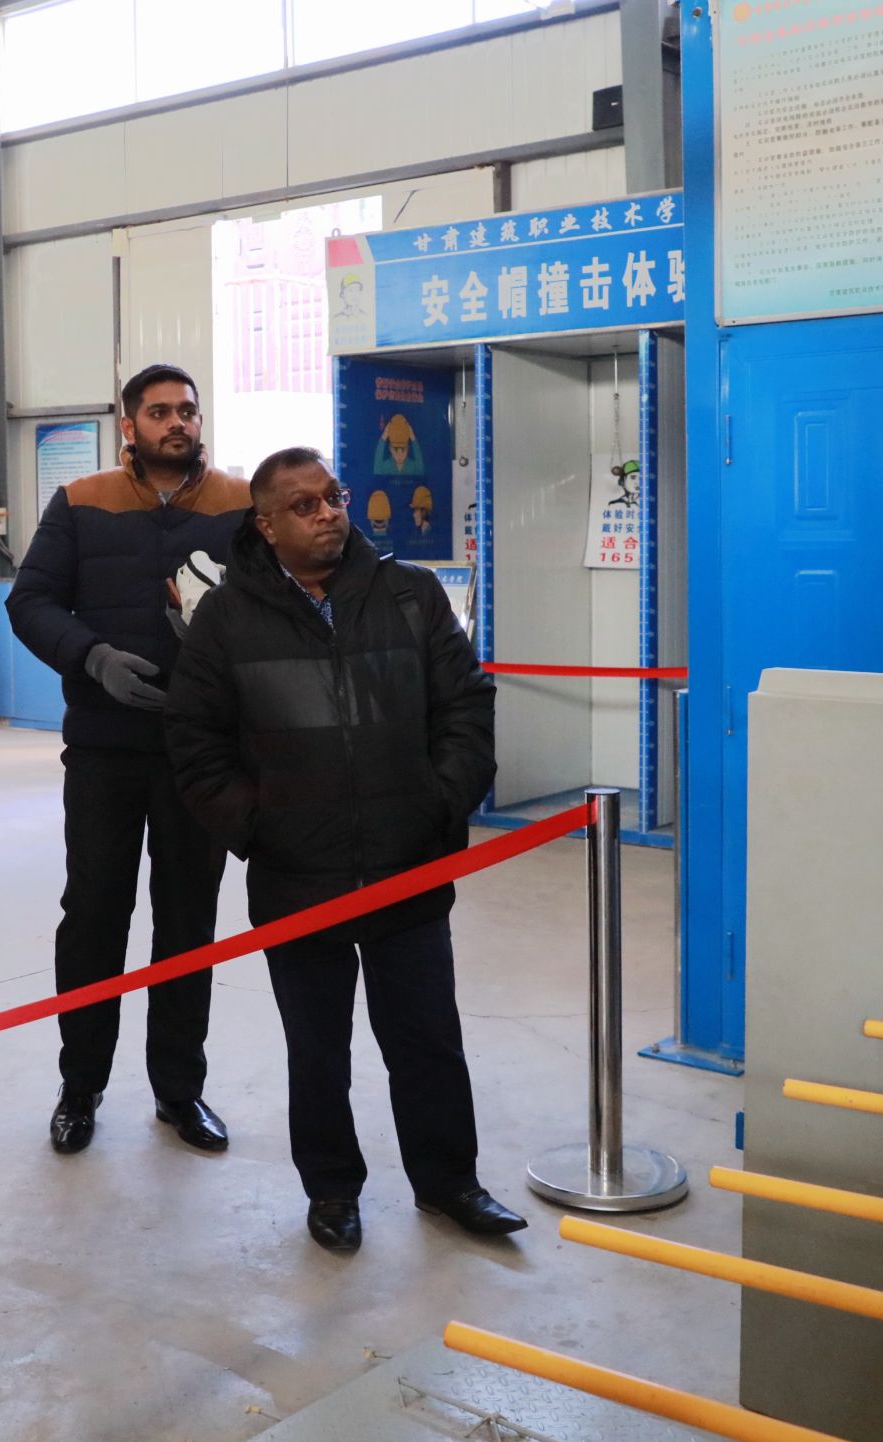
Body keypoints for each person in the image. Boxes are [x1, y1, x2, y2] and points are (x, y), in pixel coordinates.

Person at [164, 446, 526, 1254]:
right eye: (305, 505)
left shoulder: (410, 594)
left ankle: (450, 1182)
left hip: (407, 866)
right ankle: (332, 1190)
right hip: (297, 876)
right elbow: (195, 741)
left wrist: (438, 804)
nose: (327, 513)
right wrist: (258, 827)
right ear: (266, 525)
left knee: (427, 1041)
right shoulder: (227, 618)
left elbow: (466, 709)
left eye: (334, 497)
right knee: (318, 1051)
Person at [5, 362, 251, 1155]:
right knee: (94, 915)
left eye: (187, 410)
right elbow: (30, 600)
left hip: (201, 752)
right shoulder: (82, 501)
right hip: (105, 748)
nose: (177, 422)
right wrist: (92, 656)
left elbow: (275, 603)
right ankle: (80, 1086)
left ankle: (180, 1090)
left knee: (189, 921)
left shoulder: (240, 503)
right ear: (130, 426)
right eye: (160, 411)